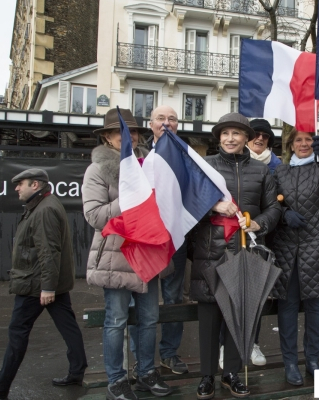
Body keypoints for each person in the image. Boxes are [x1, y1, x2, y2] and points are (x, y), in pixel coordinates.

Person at [82, 108, 173, 400]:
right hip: (117, 257)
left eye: (133, 132)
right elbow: (95, 216)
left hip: (146, 255)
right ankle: (116, 379)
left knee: (148, 319)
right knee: (116, 321)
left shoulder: (149, 164)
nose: (129, 137)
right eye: (122, 132)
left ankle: (146, 372)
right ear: (108, 137)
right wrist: (131, 197)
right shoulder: (97, 170)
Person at [0, 169, 87, 400]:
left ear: (35, 185)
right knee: (68, 327)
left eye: (20, 184)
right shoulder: (44, 205)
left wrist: (47, 287)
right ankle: (77, 370)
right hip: (46, 282)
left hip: (36, 285)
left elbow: (48, 252)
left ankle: (0, 387)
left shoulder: (44, 210)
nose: (16, 188)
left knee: (18, 332)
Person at [191, 113, 281, 399]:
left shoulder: (261, 171)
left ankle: (231, 373)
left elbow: (273, 209)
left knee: (239, 317)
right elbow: (189, 203)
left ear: (247, 138)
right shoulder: (206, 166)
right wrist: (214, 207)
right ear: (219, 137)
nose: (231, 138)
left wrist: (258, 224)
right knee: (210, 318)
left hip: (246, 252)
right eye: (225, 133)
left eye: (237, 134)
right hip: (210, 253)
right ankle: (207, 376)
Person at [271, 129, 319, 386]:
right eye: (299, 140)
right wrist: (284, 214)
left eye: (308, 139)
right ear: (290, 145)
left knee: (316, 309)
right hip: (287, 250)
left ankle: (313, 360)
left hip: (318, 248)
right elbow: (272, 202)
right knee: (288, 308)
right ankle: (290, 363)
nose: (304, 144)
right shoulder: (279, 171)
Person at [132, 105, 189, 375]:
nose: (167, 123)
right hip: (145, 240)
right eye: (161, 118)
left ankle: (169, 353)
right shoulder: (137, 156)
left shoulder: (187, 156)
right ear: (151, 123)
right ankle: (140, 358)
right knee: (141, 299)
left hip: (175, 239)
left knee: (173, 297)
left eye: (172, 119)